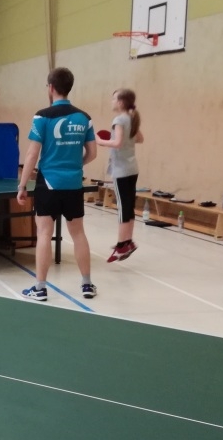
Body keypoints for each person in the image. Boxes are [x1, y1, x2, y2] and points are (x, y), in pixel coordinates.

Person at [16, 67, 98, 301]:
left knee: (44, 233)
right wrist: (76, 164)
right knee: (78, 233)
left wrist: (22, 185)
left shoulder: (42, 116)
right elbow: (92, 153)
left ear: (51, 88)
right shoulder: (84, 118)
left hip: (48, 183)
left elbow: (32, 154)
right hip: (73, 183)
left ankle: (40, 288)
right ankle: (87, 284)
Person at [96, 88, 144, 262]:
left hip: (121, 170)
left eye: (114, 98)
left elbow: (117, 143)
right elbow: (140, 139)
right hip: (132, 168)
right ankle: (128, 241)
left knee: (123, 208)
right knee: (129, 206)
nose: (112, 101)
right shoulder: (132, 118)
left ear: (121, 102)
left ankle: (122, 245)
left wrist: (100, 141)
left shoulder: (118, 119)